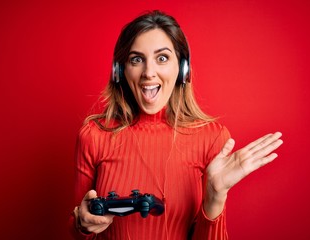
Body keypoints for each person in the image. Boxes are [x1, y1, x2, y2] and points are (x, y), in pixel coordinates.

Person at [70, 10, 283, 239]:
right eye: (136, 59)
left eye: (162, 58)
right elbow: (75, 230)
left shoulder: (212, 139)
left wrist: (215, 196)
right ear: (120, 71)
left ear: (182, 69)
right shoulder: (94, 135)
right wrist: (82, 225)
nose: (149, 73)